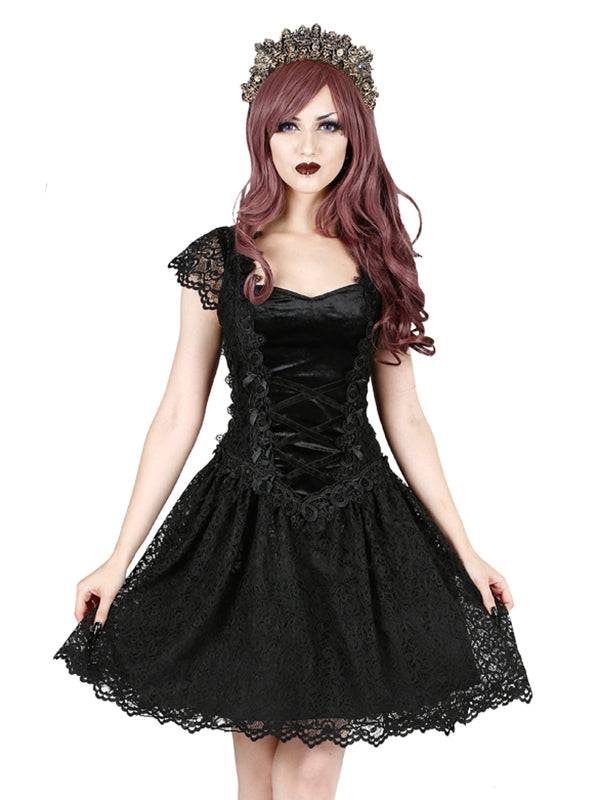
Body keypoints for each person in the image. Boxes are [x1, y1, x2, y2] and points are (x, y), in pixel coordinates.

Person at [53, 23, 532, 800]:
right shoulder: (221, 257)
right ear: (262, 135)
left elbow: (407, 419)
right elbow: (178, 410)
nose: (307, 144)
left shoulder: (379, 261)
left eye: (329, 124)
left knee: (308, 770)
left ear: (356, 136)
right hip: (245, 525)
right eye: (287, 124)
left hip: (354, 528)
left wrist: (465, 548)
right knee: (259, 772)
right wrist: (118, 556)